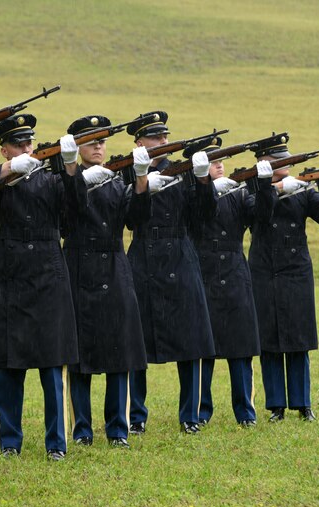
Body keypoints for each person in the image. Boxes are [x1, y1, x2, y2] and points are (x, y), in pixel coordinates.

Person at [0, 114, 78, 461]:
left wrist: (69, 165)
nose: (27, 149)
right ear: (5, 151)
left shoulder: (51, 180)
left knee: (52, 364)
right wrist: (10, 170)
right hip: (11, 271)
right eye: (19, 144)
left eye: (29, 143)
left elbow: (77, 208)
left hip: (48, 271)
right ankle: (10, 441)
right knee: (10, 364)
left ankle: (56, 442)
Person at [123, 111, 217, 435]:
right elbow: (131, 220)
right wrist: (140, 182)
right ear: (139, 142)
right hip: (143, 258)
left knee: (190, 340)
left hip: (179, 254)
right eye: (155, 137)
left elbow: (205, 215)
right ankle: (136, 416)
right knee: (136, 343)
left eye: (165, 137)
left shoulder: (185, 172)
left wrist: (204, 180)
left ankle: (190, 415)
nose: (163, 142)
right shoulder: (127, 173)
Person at [58, 115, 149, 448]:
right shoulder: (65, 178)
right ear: (77, 146)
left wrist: (140, 180)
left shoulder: (115, 181)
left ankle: (117, 429)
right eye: (92, 141)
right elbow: (65, 218)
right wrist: (73, 176)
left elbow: (136, 219)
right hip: (78, 268)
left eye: (102, 141)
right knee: (78, 356)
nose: (99, 146)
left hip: (113, 267)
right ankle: (81, 429)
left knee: (119, 353)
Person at [248, 141, 319, 422]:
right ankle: (276, 405)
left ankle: (303, 404)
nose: (285, 162)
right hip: (265, 270)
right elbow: (258, 214)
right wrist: (274, 189)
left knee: (298, 338)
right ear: (264, 161)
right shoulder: (252, 187)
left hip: (295, 271)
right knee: (269, 340)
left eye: (286, 158)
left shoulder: (302, 188)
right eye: (278, 159)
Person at [191, 137, 275, 428]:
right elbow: (201, 213)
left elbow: (261, 218)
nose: (219, 165)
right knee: (204, 347)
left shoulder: (238, 192)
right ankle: (201, 412)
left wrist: (264, 186)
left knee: (241, 347)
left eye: (220, 160)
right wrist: (205, 186)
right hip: (204, 270)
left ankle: (245, 412)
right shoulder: (193, 193)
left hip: (235, 271)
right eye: (213, 161)